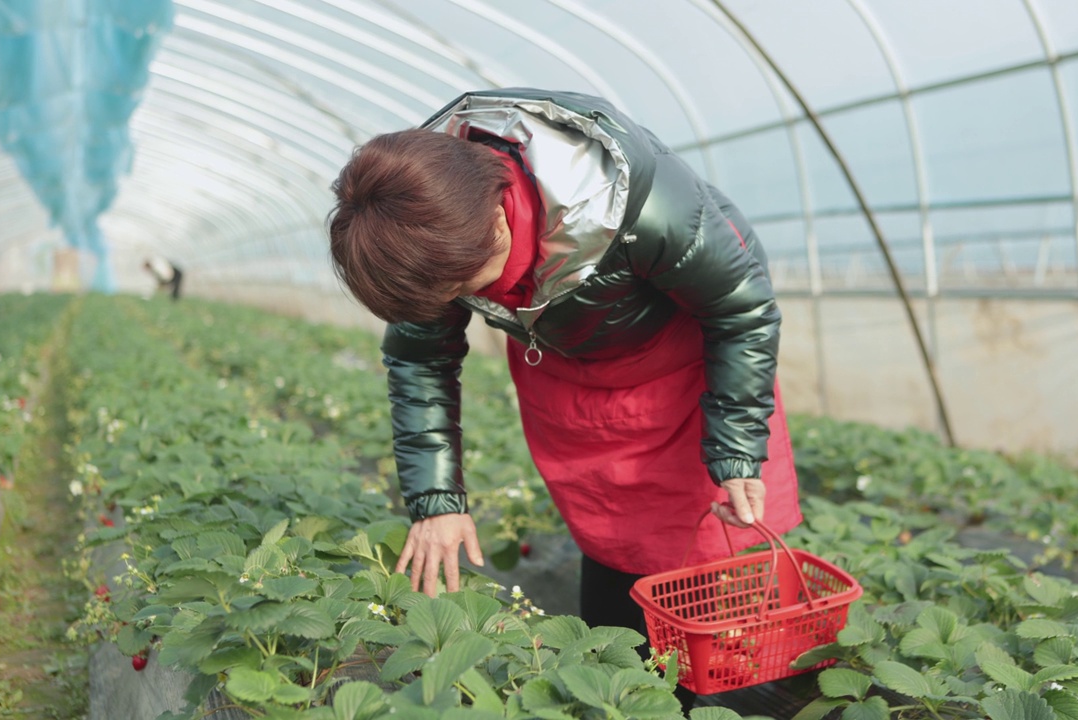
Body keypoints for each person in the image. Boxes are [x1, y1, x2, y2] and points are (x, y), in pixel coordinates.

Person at [328, 88, 801, 656]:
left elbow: (742, 308)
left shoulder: (636, 206)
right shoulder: (418, 233)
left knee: (702, 545)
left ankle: (697, 682)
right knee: (610, 537)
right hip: (568, 372)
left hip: (683, 371)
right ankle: (617, 676)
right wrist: (437, 503)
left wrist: (736, 452)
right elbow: (418, 358)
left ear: (498, 221)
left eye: (464, 288)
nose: (461, 301)